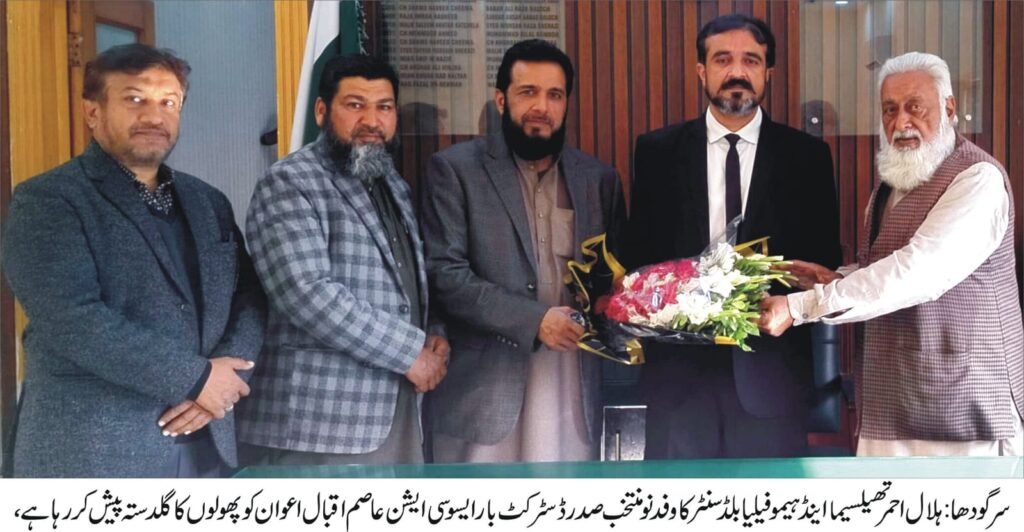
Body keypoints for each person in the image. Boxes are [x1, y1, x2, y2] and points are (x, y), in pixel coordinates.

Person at [1, 44, 266, 477]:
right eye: (135, 99)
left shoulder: (208, 201)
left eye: (169, 102)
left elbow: (250, 297)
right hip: (95, 454)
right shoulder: (48, 200)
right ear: (93, 112)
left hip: (207, 446)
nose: (154, 117)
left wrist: (225, 379)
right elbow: (73, 320)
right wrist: (196, 379)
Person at [759, 52, 1023, 457]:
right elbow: (885, 269)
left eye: (915, 107)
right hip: (890, 405)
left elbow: (919, 272)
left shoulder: (979, 180)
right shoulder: (891, 186)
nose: (901, 123)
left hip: (965, 413)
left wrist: (800, 307)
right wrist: (838, 279)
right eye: (890, 109)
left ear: (949, 108)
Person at [622, 14, 841, 459]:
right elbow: (639, 261)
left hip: (772, 382)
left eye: (751, 61)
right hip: (678, 384)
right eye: (723, 59)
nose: (737, 72)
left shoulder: (808, 158)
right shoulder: (656, 153)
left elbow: (823, 262)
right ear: (701, 71)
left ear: (768, 73)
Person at [419, 39, 626, 462]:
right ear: (501, 99)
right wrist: (534, 320)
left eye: (555, 95)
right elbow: (445, 275)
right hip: (484, 395)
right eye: (528, 92)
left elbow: (617, 278)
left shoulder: (597, 180)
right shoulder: (456, 170)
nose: (541, 107)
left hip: (571, 393)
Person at [237, 54, 448, 465]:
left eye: (384, 107)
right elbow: (307, 293)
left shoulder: (393, 185)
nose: (371, 120)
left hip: (396, 410)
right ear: (321, 111)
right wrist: (409, 352)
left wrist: (433, 332)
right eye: (355, 105)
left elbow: (407, 278)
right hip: (320, 425)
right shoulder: (290, 181)